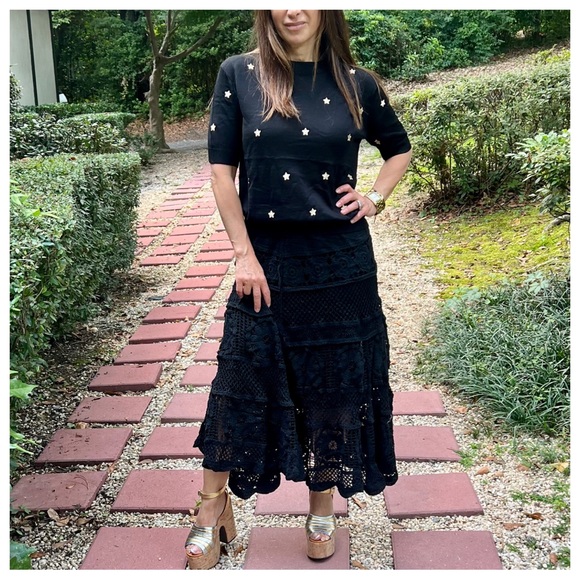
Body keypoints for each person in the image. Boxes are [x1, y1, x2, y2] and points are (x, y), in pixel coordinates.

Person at [185, 9, 412, 570]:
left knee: (332, 383)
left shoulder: (357, 83)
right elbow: (221, 172)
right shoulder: (239, 73)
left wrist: (376, 198)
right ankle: (211, 507)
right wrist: (243, 254)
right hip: (265, 259)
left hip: (340, 262)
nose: (292, 10)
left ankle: (321, 508)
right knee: (239, 377)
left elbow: (399, 148)